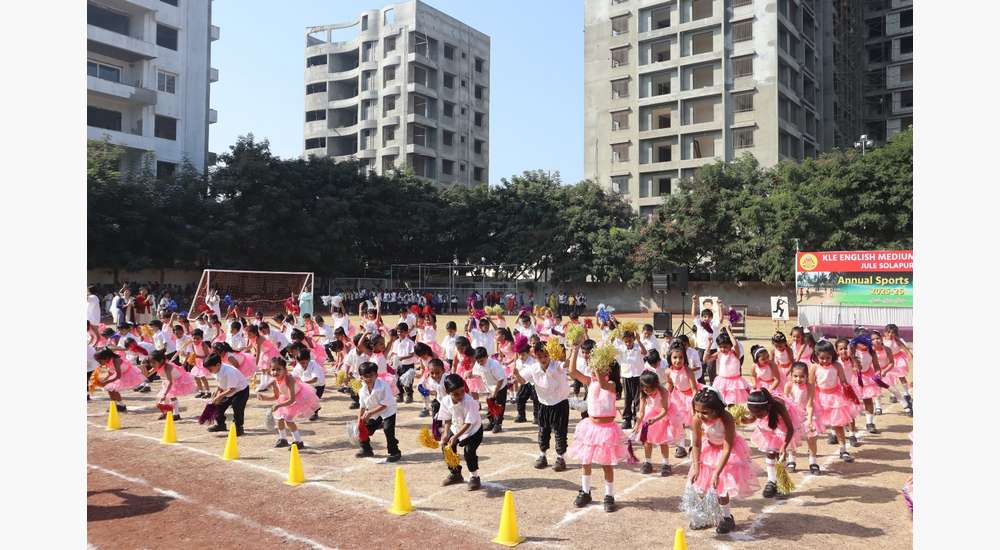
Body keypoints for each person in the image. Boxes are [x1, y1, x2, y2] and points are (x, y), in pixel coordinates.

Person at [687, 387, 758, 534]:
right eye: (697, 411)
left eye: (705, 412)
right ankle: (707, 515)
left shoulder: (726, 419)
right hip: (708, 450)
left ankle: (727, 517)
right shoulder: (696, 419)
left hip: (727, 453)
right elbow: (696, 444)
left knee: (721, 488)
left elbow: (727, 448)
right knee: (703, 486)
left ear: (716, 410)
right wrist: (696, 466)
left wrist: (717, 472)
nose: (700, 415)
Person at [566, 344, 627, 512]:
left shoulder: (612, 384)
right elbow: (572, 371)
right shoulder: (590, 381)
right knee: (585, 461)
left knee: (606, 464)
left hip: (606, 430)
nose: (594, 368)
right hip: (591, 427)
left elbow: (602, 382)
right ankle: (585, 492)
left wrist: (599, 359)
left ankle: (609, 495)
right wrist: (575, 349)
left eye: (599, 366)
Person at [512, 342, 571, 472]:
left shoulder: (557, 365)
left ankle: (560, 458)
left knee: (560, 432)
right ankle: (542, 455)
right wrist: (516, 374)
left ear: (549, 355)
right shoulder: (533, 368)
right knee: (543, 431)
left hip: (560, 403)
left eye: (545, 356)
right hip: (543, 404)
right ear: (535, 356)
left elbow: (566, 364)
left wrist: (574, 348)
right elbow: (522, 381)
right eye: (539, 357)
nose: (543, 359)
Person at [743, 388, 802, 498]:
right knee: (770, 452)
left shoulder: (779, 406)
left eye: (759, 414)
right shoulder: (757, 409)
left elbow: (790, 429)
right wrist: (741, 419)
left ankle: (782, 484)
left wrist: (784, 446)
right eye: (754, 413)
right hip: (769, 423)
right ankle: (771, 482)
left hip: (782, 425)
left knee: (780, 455)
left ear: (768, 407)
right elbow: (750, 420)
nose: (757, 416)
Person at [810, 340, 860, 463]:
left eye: (828, 358)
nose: (825, 360)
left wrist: (848, 390)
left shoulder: (837, 366)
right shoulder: (814, 367)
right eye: (822, 358)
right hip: (819, 398)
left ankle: (843, 449)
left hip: (835, 398)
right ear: (816, 356)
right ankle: (812, 455)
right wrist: (810, 402)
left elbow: (843, 381)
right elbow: (811, 385)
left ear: (832, 355)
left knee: (838, 425)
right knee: (815, 426)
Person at [258, 356, 319, 449]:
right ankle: (283, 439)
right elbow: (276, 396)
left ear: (285, 370)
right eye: (273, 369)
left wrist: (279, 405)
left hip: (298, 397)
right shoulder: (274, 381)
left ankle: (298, 441)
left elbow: (292, 400)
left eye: (279, 369)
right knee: (280, 419)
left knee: (288, 420)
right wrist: (264, 398)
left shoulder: (289, 379)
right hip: (285, 399)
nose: (275, 372)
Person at [438, 373, 485, 490]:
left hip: (473, 431)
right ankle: (455, 473)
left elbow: (468, 423)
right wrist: (445, 434)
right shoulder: (445, 401)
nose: (460, 396)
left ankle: (474, 477)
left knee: (469, 451)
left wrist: (455, 437)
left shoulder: (470, 402)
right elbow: (447, 419)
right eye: (455, 394)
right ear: (448, 393)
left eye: (462, 391)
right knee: (446, 446)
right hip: (457, 427)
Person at [633, 370, 682, 476]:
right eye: (644, 388)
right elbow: (641, 412)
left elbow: (664, 410)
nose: (647, 391)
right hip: (650, 413)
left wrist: (655, 419)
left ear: (656, 385)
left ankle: (666, 464)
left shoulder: (663, 391)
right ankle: (648, 462)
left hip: (664, 416)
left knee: (663, 440)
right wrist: (637, 424)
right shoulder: (643, 393)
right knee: (647, 440)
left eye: (649, 388)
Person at [356, 362, 401, 462]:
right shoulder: (362, 390)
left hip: (388, 411)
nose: (368, 379)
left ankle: (394, 452)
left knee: (388, 429)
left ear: (376, 375)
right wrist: (359, 421)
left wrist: (370, 413)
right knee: (363, 429)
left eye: (371, 376)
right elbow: (362, 406)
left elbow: (385, 404)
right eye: (365, 376)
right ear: (361, 377)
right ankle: (366, 449)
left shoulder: (383, 385)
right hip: (374, 413)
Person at [784, 362, 821, 474]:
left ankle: (813, 462)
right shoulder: (789, 386)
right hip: (793, 415)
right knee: (791, 439)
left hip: (806, 414)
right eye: (795, 376)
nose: (798, 379)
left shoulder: (810, 386)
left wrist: (809, 421)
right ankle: (791, 460)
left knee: (811, 439)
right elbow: (786, 404)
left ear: (806, 376)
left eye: (802, 376)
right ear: (791, 375)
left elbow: (809, 405)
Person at [665, 345, 699, 458]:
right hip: (677, 397)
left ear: (684, 358)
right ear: (670, 358)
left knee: (691, 422)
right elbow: (669, 383)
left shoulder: (688, 370)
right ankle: (681, 446)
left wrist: (694, 403)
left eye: (680, 357)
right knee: (679, 422)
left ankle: (693, 445)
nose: (678, 360)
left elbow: (694, 388)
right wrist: (666, 396)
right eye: (675, 357)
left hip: (690, 396)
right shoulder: (668, 371)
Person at [204, 353, 249, 436]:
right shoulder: (216, 370)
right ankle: (220, 424)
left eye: (210, 369)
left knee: (237, 407)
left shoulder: (229, 372)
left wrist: (219, 396)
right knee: (218, 406)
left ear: (217, 365)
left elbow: (232, 389)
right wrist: (216, 393)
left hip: (241, 391)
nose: (209, 371)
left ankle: (238, 428)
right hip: (228, 390)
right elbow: (221, 383)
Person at [704, 327, 749, 405]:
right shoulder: (719, 354)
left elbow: (735, 344)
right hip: (722, 382)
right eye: (720, 347)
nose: (722, 349)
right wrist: (709, 344)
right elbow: (705, 359)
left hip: (735, 383)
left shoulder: (736, 353)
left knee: (734, 402)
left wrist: (728, 331)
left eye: (725, 347)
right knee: (721, 402)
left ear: (730, 345)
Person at [144, 350, 194, 420]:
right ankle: (166, 413)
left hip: (177, 380)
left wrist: (165, 394)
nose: (151, 364)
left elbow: (170, 382)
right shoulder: (157, 366)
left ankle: (176, 414)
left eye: (153, 362)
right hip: (168, 381)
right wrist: (142, 368)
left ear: (161, 361)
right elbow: (148, 374)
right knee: (166, 397)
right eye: (150, 362)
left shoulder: (167, 367)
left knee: (171, 396)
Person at [93, 347, 146, 413]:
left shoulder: (116, 360)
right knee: (110, 389)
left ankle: (121, 405)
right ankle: (115, 404)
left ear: (106, 358)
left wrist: (108, 381)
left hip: (127, 374)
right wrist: (105, 379)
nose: (99, 363)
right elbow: (110, 372)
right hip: (118, 374)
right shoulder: (107, 362)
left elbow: (118, 375)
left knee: (113, 388)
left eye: (100, 361)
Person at [874, 329, 912, 416]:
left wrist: (885, 370)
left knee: (893, 390)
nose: (876, 341)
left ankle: (906, 406)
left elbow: (891, 362)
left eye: (878, 338)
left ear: (881, 338)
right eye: (873, 339)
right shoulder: (871, 350)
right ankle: (878, 407)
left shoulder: (887, 349)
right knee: (877, 390)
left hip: (885, 371)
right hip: (875, 372)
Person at [615, 328, 647, 430]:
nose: (628, 343)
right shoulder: (621, 348)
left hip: (638, 376)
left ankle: (637, 418)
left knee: (638, 398)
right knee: (628, 399)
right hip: (626, 376)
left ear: (633, 339)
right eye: (626, 341)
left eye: (630, 341)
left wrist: (639, 340)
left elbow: (645, 352)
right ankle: (627, 419)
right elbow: (612, 351)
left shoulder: (638, 347)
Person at [473, 347, 508, 433]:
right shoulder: (478, 364)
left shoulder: (494, 365)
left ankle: (498, 424)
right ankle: (491, 422)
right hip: (489, 387)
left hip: (500, 387)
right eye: (478, 361)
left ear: (487, 356)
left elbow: (500, 380)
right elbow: (476, 373)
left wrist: (495, 393)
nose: (480, 363)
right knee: (490, 405)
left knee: (499, 406)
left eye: (481, 361)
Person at [691, 295, 720, 384]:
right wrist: (694, 302)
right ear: (702, 317)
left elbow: (721, 318)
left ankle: (713, 385)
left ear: (711, 317)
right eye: (704, 317)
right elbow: (693, 315)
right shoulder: (699, 324)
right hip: (701, 349)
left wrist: (719, 306)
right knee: (701, 368)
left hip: (712, 349)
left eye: (708, 317)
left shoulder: (714, 325)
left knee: (711, 369)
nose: (706, 318)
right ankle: (702, 385)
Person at [291, 348, 326, 421]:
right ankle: (312, 410)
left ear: (309, 359)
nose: (302, 365)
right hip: (306, 385)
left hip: (318, 385)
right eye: (301, 363)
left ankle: (315, 412)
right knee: (305, 400)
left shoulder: (314, 364)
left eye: (304, 363)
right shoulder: (298, 365)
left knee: (314, 400)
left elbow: (315, 379)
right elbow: (293, 376)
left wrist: (302, 383)